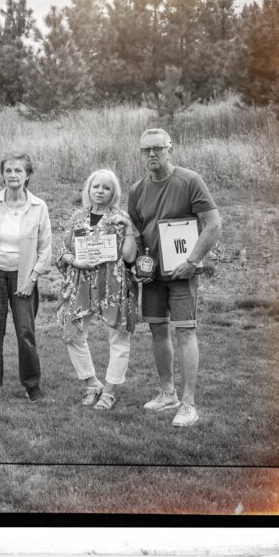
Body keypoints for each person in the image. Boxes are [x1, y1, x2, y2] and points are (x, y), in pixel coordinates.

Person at [128, 128, 221, 427]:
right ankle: (168, 394)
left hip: (182, 273)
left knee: (184, 332)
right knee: (157, 331)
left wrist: (193, 261)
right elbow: (137, 233)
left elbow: (213, 224)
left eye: (158, 148)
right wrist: (138, 266)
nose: (152, 154)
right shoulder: (136, 190)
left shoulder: (190, 180)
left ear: (171, 149)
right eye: (146, 150)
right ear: (141, 154)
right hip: (152, 276)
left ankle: (189, 403)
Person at [56, 169, 138, 411]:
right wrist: (76, 262)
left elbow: (130, 257)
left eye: (106, 188)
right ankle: (92, 383)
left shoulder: (121, 218)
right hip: (80, 283)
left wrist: (130, 229)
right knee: (71, 332)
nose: (100, 191)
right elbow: (63, 251)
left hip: (112, 283)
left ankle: (109, 391)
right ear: (88, 190)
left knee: (119, 337)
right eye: (96, 186)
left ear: (114, 193)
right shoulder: (77, 218)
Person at [0, 154, 51, 404]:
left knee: (25, 332)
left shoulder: (38, 207)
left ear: (27, 175)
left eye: (18, 171)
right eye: (8, 170)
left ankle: (32, 384)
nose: (12, 175)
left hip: (24, 276)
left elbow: (45, 249)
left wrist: (32, 279)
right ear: (2, 174)